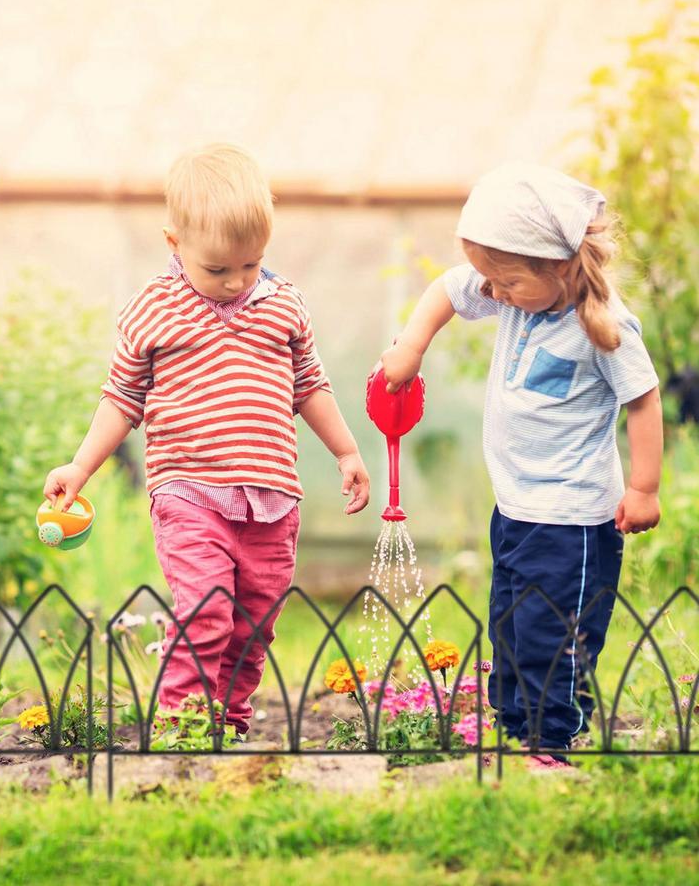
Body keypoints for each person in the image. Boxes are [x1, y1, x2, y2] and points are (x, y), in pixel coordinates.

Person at [43, 143, 370, 737]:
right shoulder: (153, 309)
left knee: (254, 621)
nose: (235, 281)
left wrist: (346, 450)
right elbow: (121, 399)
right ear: (175, 243)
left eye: (250, 264)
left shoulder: (284, 305)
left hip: (272, 497)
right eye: (217, 269)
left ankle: (229, 719)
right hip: (188, 490)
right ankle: (181, 725)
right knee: (206, 610)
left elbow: (310, 386)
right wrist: (80, 466)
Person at [380, 163, 662, 768]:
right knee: (510, 627)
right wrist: (409, 348)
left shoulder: (605, 325)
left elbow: (643, 399)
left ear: (557, 265)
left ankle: (550, 741)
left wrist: (644, 487)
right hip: (516, 508)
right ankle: (514, 730)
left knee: (552, 634)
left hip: (573, 517)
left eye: (505, 281)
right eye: (491, 279)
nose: (494, 292)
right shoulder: (514, 293)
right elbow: (445, 292)